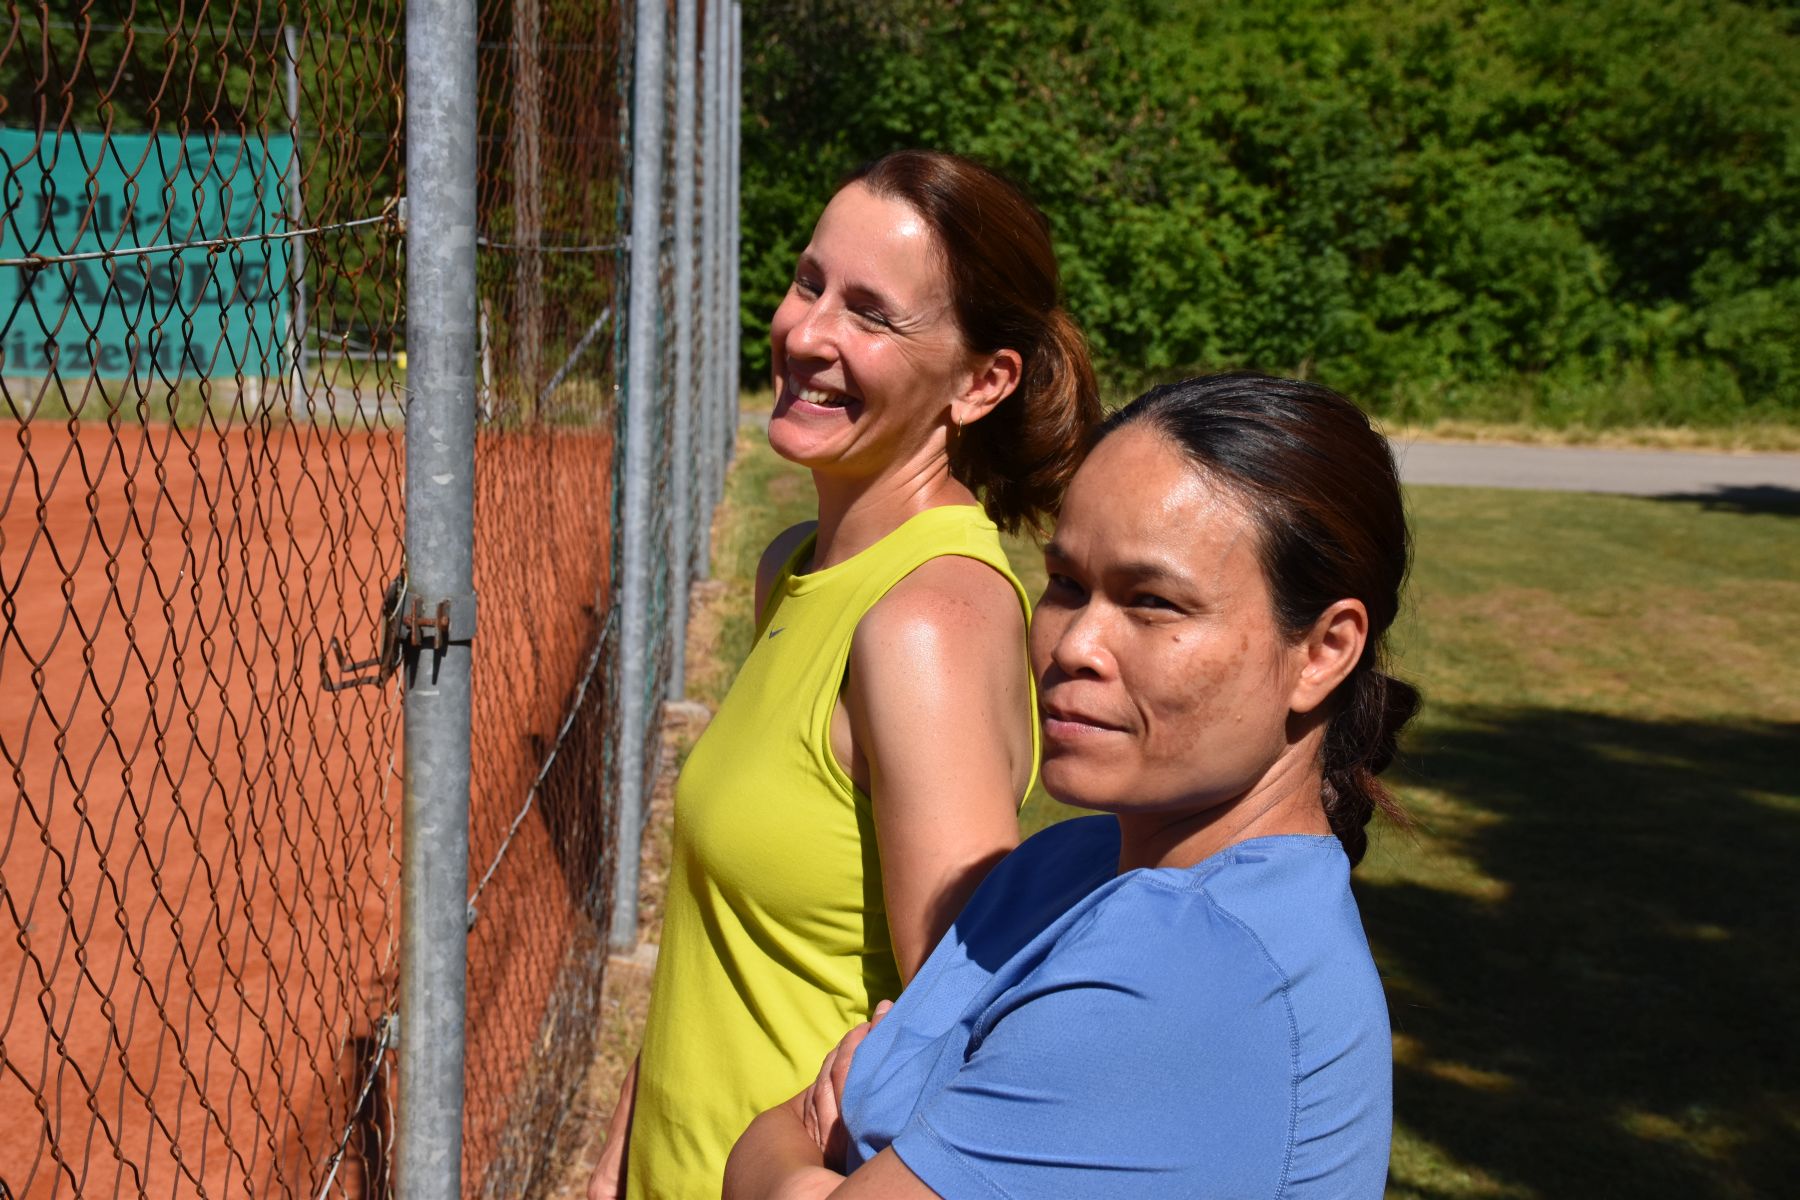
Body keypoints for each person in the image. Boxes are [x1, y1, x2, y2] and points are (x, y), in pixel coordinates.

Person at [725, 372, 1417, 1198]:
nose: (1074, 645)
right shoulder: (1065, 867)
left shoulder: (1190, 969)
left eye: (1152, 602)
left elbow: (786, 1133)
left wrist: (790, 1160)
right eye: (1066, 584)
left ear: (1323, 652)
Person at [590, 150, 1102, 1200]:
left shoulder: (924, 624)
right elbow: (735, 935)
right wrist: (624, 1146)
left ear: (982, 383)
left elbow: (966, 1021)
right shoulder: (798, 568)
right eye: (809, 281)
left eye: (870, 314)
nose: (805, 333)